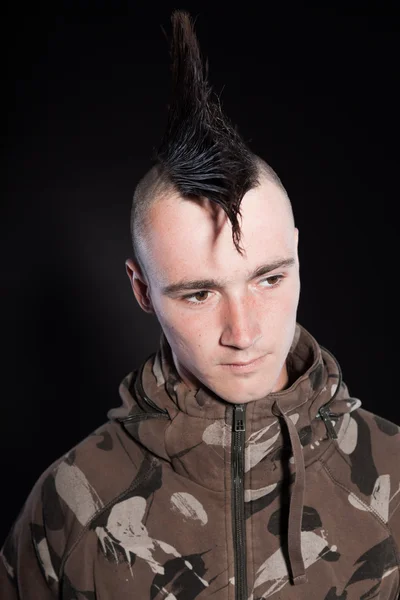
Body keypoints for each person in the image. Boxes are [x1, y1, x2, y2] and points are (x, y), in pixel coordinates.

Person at [1, 10, 399, 600]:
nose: (244, 331)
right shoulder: (70, 504)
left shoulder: (394, 478)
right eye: (199, 293)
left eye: (268, 279)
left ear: (297, 257)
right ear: (140, 290)